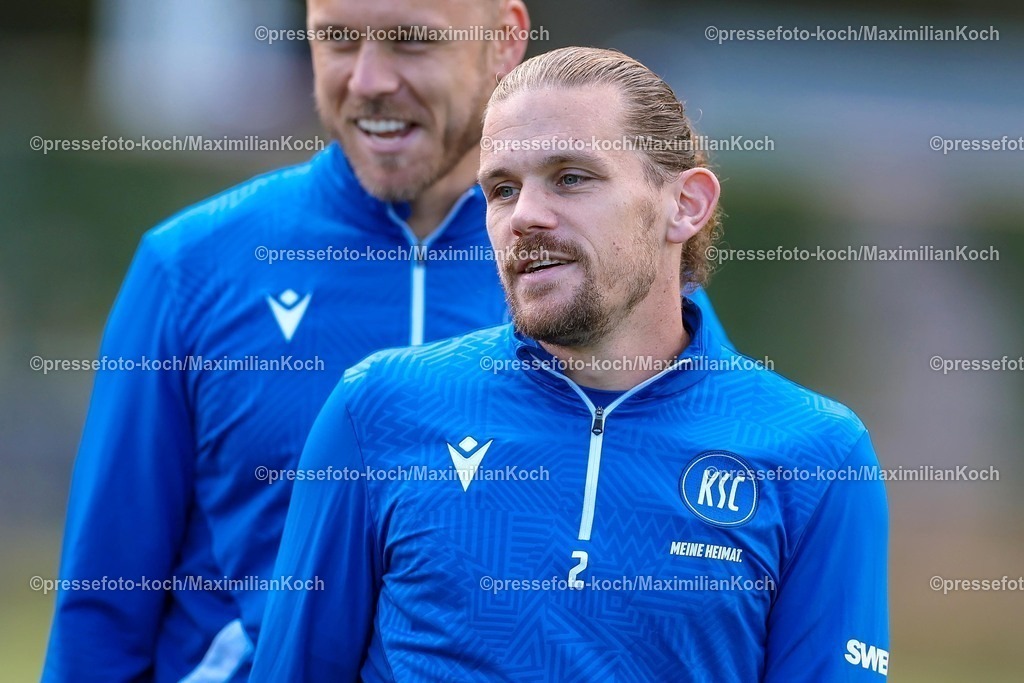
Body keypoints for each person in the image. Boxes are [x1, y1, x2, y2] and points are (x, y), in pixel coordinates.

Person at [252, 46, 889, 682]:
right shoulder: (378, 408)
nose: (524, 215)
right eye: (502, 189)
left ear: (686, 205)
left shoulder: (818, 454)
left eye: (571, 177)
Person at [42, 1, 534, 681]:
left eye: (411, 41)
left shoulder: (586, 270)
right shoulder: (190, 266)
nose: (367, 79)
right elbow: (101, 608)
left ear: (504, 41)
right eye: (337, 39)